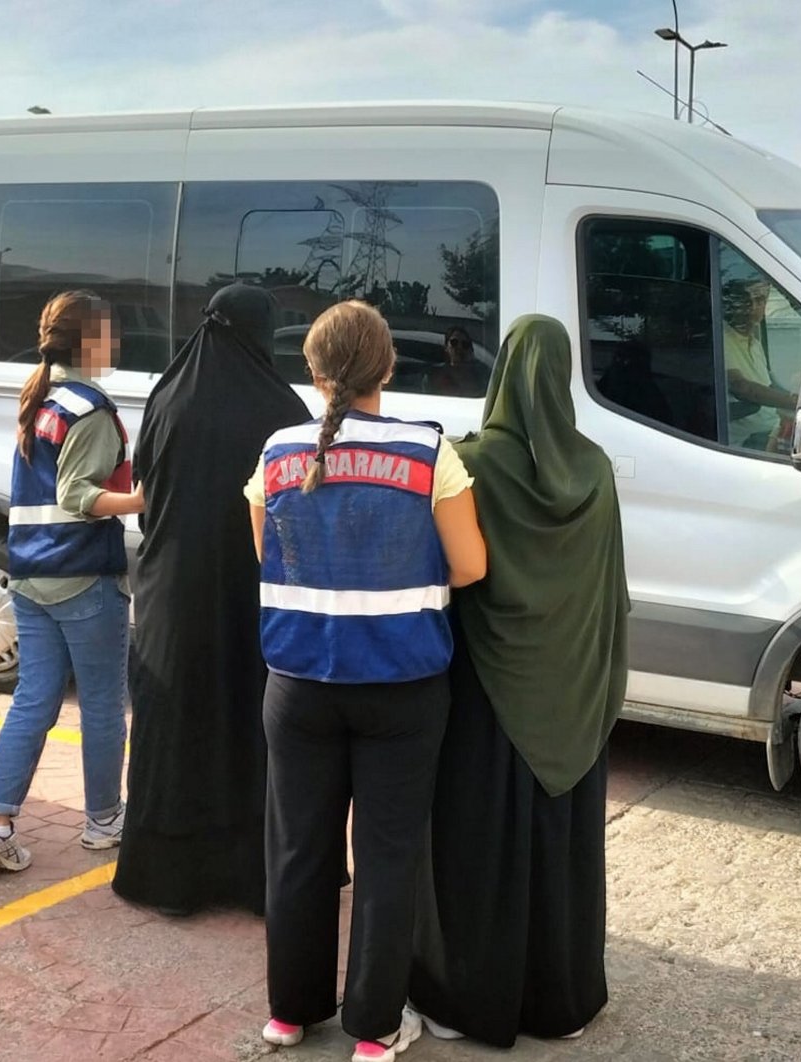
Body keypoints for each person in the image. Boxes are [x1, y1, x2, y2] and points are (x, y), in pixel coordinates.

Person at [247, 301, 486, 1062]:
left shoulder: (279, 449)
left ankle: (290, 1012)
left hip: (296, 683)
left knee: (298, 850)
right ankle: (375, 1030)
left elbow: (265, 552)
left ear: (313, 372)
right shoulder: (428, 453)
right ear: (387, 367)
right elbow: (470, 564)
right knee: (387, 857)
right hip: (401, 683)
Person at [410, 314, 629, 1048]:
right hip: (570, 687)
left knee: (473, 844)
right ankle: (562, 1002)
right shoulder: (595, 467)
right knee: (558, 847)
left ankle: (460, 1000)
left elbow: (445, 568)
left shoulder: (467, 461)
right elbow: (609, 589)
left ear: (501, 372)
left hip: (483, 684)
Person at [112, 284, 310, 916]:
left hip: (172, 592)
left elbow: (145, 487)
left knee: (176, 727)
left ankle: (169, 879)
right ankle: (252, 880)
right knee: (249, 728)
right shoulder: (280, 405)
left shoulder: (168, 393)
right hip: (249, 594)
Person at [0, 290, 144, 872]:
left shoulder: (44, 400)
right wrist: (144, 498)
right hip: (85, 576)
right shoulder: (89, 409)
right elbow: (77, 495)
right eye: (110, 331)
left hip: (32, 574)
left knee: (33, 701)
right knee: (101, 706)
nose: (117, 341)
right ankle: (103, 823)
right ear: (88, 340)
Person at [723, 278, 796, 451]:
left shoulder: (754, 343)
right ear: (732, 305)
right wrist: (794, 402)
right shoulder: (721, 338)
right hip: (744, 440)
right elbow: (740, 387)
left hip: (769, 428)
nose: (754, 307)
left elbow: (766, 386)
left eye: (760, 300)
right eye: (747, 301)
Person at [424, 326, 488, 397]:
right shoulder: (434, 376)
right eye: (454, 342)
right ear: (446, 347)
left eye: (465, 344)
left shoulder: (479, 378)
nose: (459, 347)